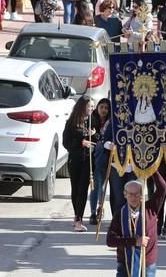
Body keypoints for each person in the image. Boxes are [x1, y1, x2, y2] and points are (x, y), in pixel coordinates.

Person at [106, 174, 166, 277]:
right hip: (125, 264)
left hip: (147, 263)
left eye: (137, 194)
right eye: (130, 194)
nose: (133, 197)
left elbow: (163, 187)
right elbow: (110, 240)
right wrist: (134, 241)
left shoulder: (151, 208)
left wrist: (152, 170)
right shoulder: (120, 214)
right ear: (125, 194)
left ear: (142, 195)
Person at [62, 96, 96, 232]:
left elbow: (98, 139)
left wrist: (94, 135)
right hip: (75, 160)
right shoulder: (71, 122)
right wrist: (80, 143)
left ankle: (78, 220)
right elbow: (66, 142)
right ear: (82, 107)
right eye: (89, 106)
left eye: (93, 106)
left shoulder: (92, 120)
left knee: (82, 190)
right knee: (75, 189)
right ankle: (77, 216)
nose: (92, 109)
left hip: (88, 161)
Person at [88, 98, 111, 225]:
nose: (103, 110)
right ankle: (92, 213)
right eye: (101, 107)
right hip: (94, 160)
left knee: (103, 186)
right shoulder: (92, 120)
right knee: (95, 186)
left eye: (106, 108)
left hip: (107, 159)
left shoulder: (111, 122)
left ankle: (100, 208)